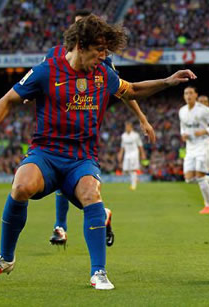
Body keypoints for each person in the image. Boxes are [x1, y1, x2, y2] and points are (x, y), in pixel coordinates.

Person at [0, 14, 196, 290]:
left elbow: (132, 90)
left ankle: (98, 272)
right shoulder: (46, 70)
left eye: (106, 50)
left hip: (82, 159)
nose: (103, 55)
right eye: (99, 49)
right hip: (46, 154)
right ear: (78, 44)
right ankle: (5, 258)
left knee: (91, 193)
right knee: (20, 186)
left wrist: (168, 81)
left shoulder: (102, 73)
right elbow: (8, 100)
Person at [43, 9, 156, 249]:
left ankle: (65, 225)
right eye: (78, 27)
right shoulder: (53, 55)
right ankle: (64, 225)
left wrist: (142, 118)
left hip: (83, 130)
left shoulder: (102, 61)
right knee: (59, 178)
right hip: (56, 126)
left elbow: (126, 91)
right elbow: (39, 82)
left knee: (70, 180)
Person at [179, 86, 209, 214]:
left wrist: (205, 131)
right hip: (190, 147)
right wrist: (183, 134)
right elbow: (182, 126)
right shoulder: (182, 111)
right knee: (189, 179)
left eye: (191, 93)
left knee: (200, 177)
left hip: (202, 145)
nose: (188, 96)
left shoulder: (204, 110)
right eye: (186, 93)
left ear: (196, 95)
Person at [118, 122, 145, 190]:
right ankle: (135, 179)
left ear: (131, 127)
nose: (126, 128)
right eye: (126, 127)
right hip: (127, 154)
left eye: (128, 127)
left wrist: (142, 154)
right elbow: (122, 146)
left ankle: (133, 185)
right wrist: (120, 154)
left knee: (133, 169)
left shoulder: (135, 135)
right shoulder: (123, 136)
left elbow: (140, 145)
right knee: (125, 169)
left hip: (134, 153)